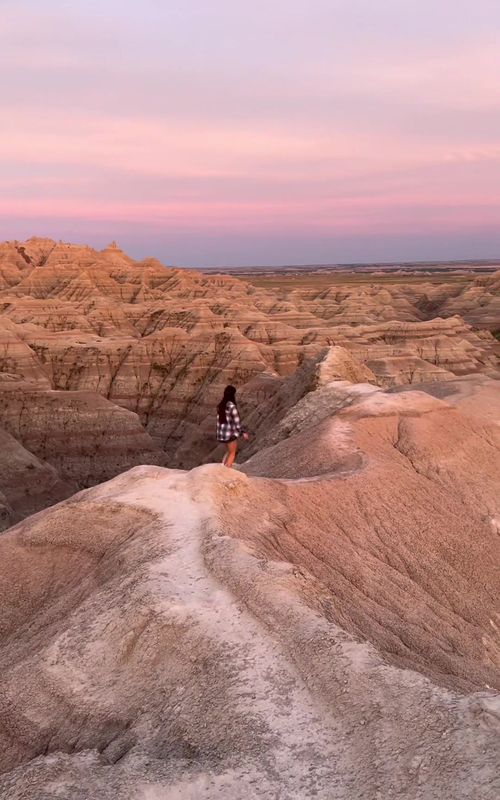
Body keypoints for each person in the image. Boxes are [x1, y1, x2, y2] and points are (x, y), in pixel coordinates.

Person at [216, 385, 249, 468]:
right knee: (232, 452)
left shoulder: (221, 405)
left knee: (228, 451)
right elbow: (237, 422)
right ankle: (227, 470)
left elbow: (220, 421)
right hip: (230, 434)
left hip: (221, 434)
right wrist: (243, 432)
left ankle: (223, 467)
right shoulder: (231, 406)